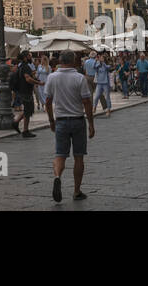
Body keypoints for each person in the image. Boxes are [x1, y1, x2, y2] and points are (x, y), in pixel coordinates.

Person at [45, 50, 95, 203]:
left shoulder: (52, 77)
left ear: (60, 61)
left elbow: (47, 101)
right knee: (78, 156)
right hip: (78, 121)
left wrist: (51, 120)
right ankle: (76, 191)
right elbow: (86, 101)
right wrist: (91, 124)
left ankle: (57, 177)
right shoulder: (79, 78)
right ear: (73, 61)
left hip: (61, 121)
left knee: (60, 155)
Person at [13, 50, 40, 137]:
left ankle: (16, 122)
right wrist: (38, 83)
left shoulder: (20, 66)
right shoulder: (25, 66)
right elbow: (28, 79)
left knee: (28, 110)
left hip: (22, 91)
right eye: (29, 56)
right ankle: (25, 130)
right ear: (25, 57)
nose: (31, 57)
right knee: (28, 110)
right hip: (26, 92)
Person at [92, 52, 112, 117]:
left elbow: (108, 67)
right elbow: (93, 67)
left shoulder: (106, 65)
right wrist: (96, 61)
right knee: (96, 97)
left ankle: (108, 110)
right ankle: (94, 108)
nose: (100, 59)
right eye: (100, 58)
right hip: (99, 83)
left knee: (107, 97)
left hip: (105, 83)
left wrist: (102, 62)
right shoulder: (98, 65)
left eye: (102, 58)